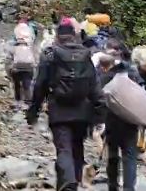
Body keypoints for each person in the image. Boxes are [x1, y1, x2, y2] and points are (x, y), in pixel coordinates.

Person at [26, 22, 106, 191]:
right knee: (77, 147)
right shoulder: (85, 56)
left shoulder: (50, 55)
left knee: (64, 149)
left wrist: (34, 111)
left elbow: (40, 85)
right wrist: (99, 113)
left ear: (57, 36)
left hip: (59, 111)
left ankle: (68, 183)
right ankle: (74, 181)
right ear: (74, 36)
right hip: (83, 112)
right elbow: (94, 85)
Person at [99, 38, 144, 191]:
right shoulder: (132, 72)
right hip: (130, 120)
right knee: (130, 156)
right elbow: (143, 95)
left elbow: (99, 97)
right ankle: (129, 188)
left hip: (111, 120)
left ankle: (112, 186)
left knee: (112, 155)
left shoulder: (105, 74)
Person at [6, 20, 37, 108]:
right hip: (29, 68)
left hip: (16, 69)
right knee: (27, 85)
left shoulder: (13, 47)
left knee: (16, 85)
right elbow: (36, 58)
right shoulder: (31, 46)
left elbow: (8, 60)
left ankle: (18, 101)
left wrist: (9, 71)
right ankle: (28, 102)